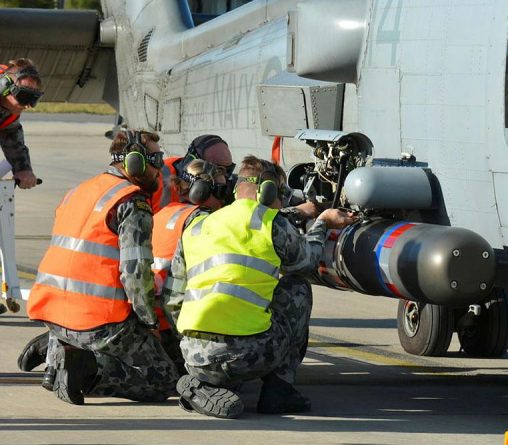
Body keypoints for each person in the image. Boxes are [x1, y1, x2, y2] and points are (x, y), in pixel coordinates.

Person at [165, 156, 358, 419]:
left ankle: (204, 383)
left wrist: (195, 345)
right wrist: (322, 222)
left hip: (195, 355)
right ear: (267, 191)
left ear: (236, 189)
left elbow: (173, 299)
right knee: (297, 286)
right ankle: (279, 391)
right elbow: (306, 261)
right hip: (251, 357)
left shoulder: (195, 226)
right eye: (280, 194)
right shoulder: (271, 222)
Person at [25, 129, 180, 405]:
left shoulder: (78, 191)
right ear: (135, 162)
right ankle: (87, 371)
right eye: (156, 158)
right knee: (164, 378)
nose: (160, 169)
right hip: (98, 321)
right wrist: (149, 322)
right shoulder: (131, 202)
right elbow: (134, 273)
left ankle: (58, 354)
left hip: (55, 314)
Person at [152, 159, 230, 369]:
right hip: (173, 329)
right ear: (202, 191)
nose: (224, 199)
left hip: (151, 323)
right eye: (221, 191)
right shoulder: (202, 222)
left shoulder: (163, 213)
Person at [150, 134, 236, 213]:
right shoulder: (153, 178)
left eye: (228, 171)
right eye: (217, 171)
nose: (223, 179)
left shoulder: (226, 183)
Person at [0, 58, 42, 189]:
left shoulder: (9, 112)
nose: (28, 106)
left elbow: (10, 133)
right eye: (24, 97)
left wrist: (23, 169)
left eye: (33, 99)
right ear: (5, 85)